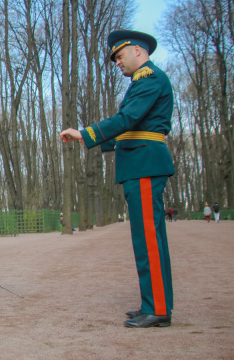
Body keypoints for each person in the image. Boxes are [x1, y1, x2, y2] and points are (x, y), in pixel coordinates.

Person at [60, 29, 174, 329]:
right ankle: (153, 304)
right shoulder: (144, 81)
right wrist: (93, 139)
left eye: (120, 56)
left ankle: (158, 307)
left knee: (149, 240)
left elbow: (127, 120)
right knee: (146, 239)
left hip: (145, 163)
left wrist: (85, 134)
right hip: (140, 163)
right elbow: (128, 128)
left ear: (138, 51)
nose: (118, 63)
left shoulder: (149, 79)